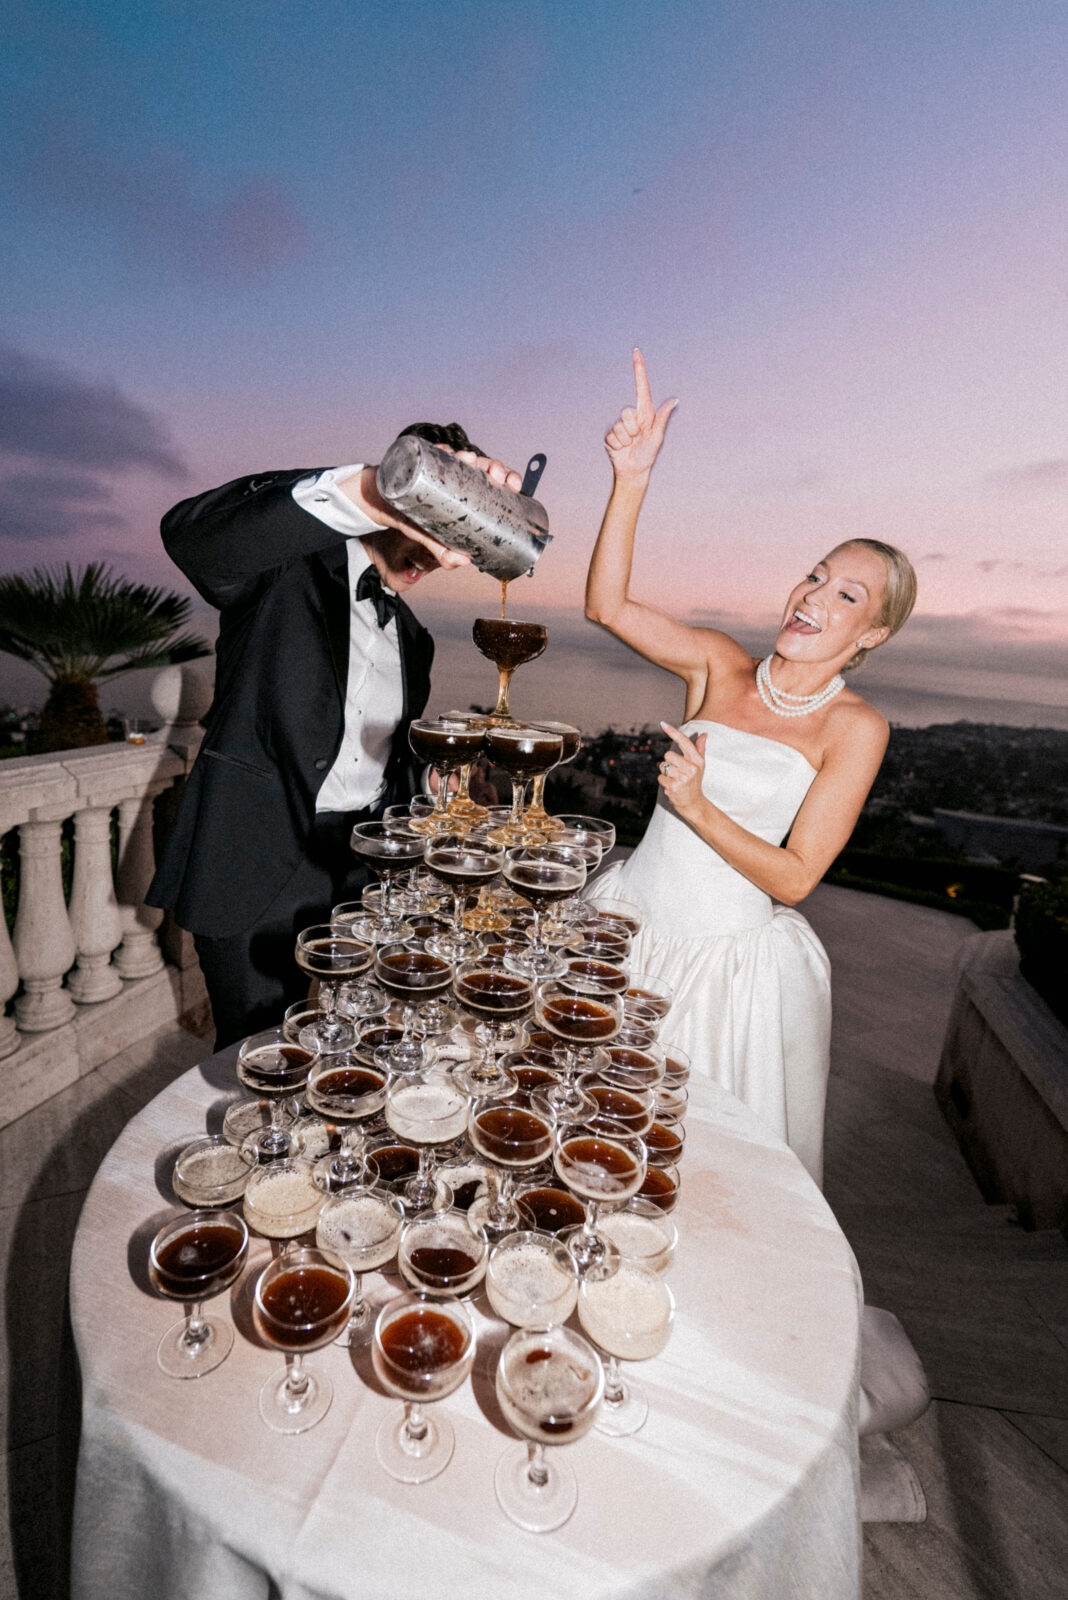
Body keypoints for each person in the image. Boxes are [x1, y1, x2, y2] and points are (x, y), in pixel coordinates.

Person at [585, 351, 917, 1186]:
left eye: (849, 596)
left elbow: (799, 877)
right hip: (623, 931)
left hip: (723, 975)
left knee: (685, 1173)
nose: (815, 597)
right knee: (583, 1133)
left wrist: (698, 807)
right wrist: (632, 478)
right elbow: (607, 606)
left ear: (870, 635)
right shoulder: (718, 665)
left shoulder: (855, 728)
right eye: (816, 574)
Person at [147, 424, 522, 1049]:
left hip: (360, 871)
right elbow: (192, 536)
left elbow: (382, 756)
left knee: (352, 1042)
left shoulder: (416, 640)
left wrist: (427, 780)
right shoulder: (284, 572)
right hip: (255, 860)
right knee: (262, 1053)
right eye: (426, 519)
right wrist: (376, 491)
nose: (430, 555)